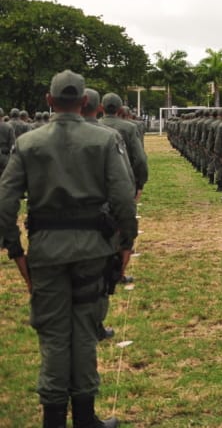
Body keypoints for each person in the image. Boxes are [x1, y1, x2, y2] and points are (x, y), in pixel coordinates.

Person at [0, 70, 137, 428]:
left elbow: (5, 202)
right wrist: (126, 244)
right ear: (84, 103)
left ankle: (54, 419)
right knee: (85, 331)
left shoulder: (28, 143)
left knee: (54, 335)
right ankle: (86, 417)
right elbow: (123, 196)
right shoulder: (105, 140)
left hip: (45, 253)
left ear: (49, 101)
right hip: (94, 251)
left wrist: (16, 251)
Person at [99, 93, 149, 202]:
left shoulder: (93, 127)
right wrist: (140, 183)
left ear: (101, 107)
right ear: (120, 109)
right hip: (124, 180)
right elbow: (139, 158)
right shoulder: (129, 128)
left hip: (98, 184)